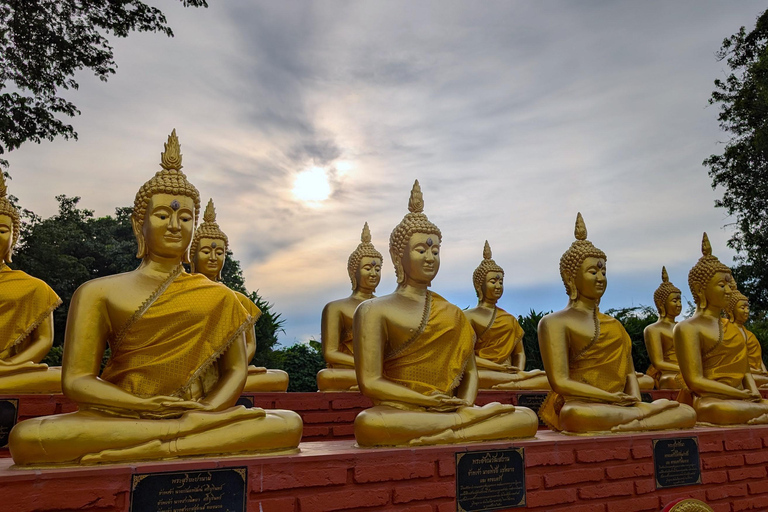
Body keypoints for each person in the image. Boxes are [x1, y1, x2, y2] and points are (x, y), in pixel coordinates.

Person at [9, 131, 302, 465]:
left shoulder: (219, 295)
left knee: (288, 424)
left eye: (185, 217)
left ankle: (168, 443)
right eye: (163, 215)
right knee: (28, 438)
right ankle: (175, 440)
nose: (175, 225)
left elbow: (235, 371)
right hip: (121, 414)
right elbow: (76, 380)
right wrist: (143, 407)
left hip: (197, 415)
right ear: (139, 224)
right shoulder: (97, 292)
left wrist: (204, 412)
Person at [352, 180, 538, 447]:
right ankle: (463, 429)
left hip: (448, 410)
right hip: (399, 409)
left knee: (525, 418)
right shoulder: (372, 310)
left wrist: (462, 405)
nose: (430, 257)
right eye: (421, 250)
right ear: (397, 257)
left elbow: (470, 372)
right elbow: (370, 382)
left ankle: (455, 429)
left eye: (435, 251)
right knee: (368, 424)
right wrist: (427, 401)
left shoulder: (452, 313)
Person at [537, 213, 695, 433]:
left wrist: (634, 401)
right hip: (584, 405)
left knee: (687, 412)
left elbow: (630, 374)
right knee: (575, 415)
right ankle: (637, 422)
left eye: (603, 271)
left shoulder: (615, 325)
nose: (601, 277)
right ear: (569, 277)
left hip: (621, 406)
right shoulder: (554, 323)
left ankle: (631, 422)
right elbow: (560, 383)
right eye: (593, 272)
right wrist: (610, 398)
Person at [190, 198, 289, 392]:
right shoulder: (182, 293)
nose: (213, 258)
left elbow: (250, 344)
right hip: (190, 373)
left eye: (219, 253)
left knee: (280, 378)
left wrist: (237, 365)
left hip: (230, 370)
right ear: (191, 256)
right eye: (205, 251)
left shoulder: (238, 299)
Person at [675, 234, 768, 425]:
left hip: (742, 398)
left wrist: (754, 395)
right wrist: (738, 394)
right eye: (721, 285)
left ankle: (759, 413)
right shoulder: (687, 328)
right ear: (700, 289)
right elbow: (695, 381)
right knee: (719, 410)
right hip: (711, 399)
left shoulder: (732, 328)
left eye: (729, 284)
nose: (728, 290)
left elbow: (745, 373)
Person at [0, 172, 62, 393]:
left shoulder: (35, 287)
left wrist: (9, 365)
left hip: (10, 372)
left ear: (13, 239)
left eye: (2, 230)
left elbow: (44, 341)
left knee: (65, 377)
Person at [463, 241, 548, 390]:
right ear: (479, 286)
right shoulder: (468, 317)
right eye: (493, 281)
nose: (498, 286)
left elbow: (519, 353)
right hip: (485, 372)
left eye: (501, 282)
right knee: (473, 377)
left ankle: (516, 381)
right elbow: (465, 357)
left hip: (511, 373)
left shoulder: (509, 319)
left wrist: (519, 371)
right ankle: (517, 382)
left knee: (549, 379)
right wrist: (499, 368)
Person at [317, 223, 382, 391]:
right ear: (354, 273)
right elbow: (330, 353)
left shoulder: (384, 307)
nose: (374, 273)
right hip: (349, 371)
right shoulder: (336, 308)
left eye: (378, 268)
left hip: (382, 371)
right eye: (368, 268)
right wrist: (366, 365)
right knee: (325, 376)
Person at [643, 267, 684, 389]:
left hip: (689, 371)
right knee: (671, 379)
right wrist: (684, 370)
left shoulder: (683, 327)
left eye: (680, 300)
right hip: (671, 372)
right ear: (661, 304)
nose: (679, 304)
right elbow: (658, 363)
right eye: (674, 301)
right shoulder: (653, 329)